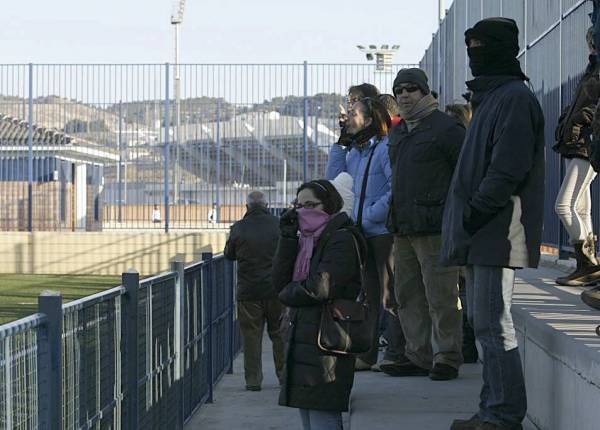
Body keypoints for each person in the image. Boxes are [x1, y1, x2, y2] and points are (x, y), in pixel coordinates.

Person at [441, 18, 545, 430]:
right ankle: (492, 410)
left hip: (496, 231)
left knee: (493, 324)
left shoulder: (514, 99)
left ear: (503, 49)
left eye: (481, 45)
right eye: (471, 45)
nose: (474, 53)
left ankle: (502, 416)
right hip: (482, 230)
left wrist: (476, 212)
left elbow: (507, 168)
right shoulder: (492, 98)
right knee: (482, 323)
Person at [386, 68, 465, 381]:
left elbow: (464, 174)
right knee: (408, 295)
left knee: (441, 295)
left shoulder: (446, 128)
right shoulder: (399, 132)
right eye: (399, 91)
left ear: (425, 92)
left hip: (435, 228)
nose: (404, 95)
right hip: (404, 227)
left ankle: (447, 356)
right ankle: (417, 354)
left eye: (411, 89)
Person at [272, 179, 365, 430]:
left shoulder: (341, 238)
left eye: (310, 205)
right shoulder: (306, 241)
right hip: (305, 337)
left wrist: (288, 293)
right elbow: (279, 280)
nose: (302, 211)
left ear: (329, 205)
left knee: (323, 417)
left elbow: (320, 286)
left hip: (327, 340)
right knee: (309, 416)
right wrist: (287, 238)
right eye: (298, 205)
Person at [326, 95, 405, 371]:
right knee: (371, 296)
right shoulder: (356, 152)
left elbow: (397, 189)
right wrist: (340, 141)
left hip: (381, 232)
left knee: (388, 295)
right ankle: (369, 353)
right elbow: (333, 179)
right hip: (364, 234)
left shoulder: (384, 149)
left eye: (354, 114)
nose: (348, 118)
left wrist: (370, 215)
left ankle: (395, 352)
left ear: (370, 120)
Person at [224, 191, 285, 391]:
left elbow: (229, 255)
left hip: (248, 291)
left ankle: (253, 380)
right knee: (279, 333)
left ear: (247, 207)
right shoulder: (279, 225)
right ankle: (284, 376)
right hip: (276, 289)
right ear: (267, 204)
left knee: (251, 335)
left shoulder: (239, 228)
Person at [553, 27, 600, 286]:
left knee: (563, 205)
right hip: (576, 142)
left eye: (593, 41)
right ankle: (588, 266)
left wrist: (580, 123)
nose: (591, 45)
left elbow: (591, 108)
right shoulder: (592, 68)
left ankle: (588, 264)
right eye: (590, 41)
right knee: (581, 207)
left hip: (586, 142)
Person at [445, 102, 478, 364]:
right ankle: (466, 344)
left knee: (462, 288)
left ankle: (466, 343)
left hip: (462, 226)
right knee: (462, 287)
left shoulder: (461, 152)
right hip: (460, 224)